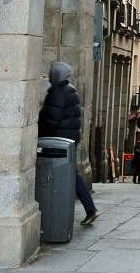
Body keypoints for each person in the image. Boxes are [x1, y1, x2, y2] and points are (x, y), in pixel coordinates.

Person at [37, 61, 100, 226]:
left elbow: (51, 118)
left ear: (57, 74)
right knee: (71, 173)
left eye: (51, 72)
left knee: (58, 173)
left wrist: (40, 135)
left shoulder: (58, 92)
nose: (48, 75)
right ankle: (89, 208)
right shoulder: (70, 90)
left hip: (57, 140)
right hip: (68, 139)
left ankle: (59, 210)